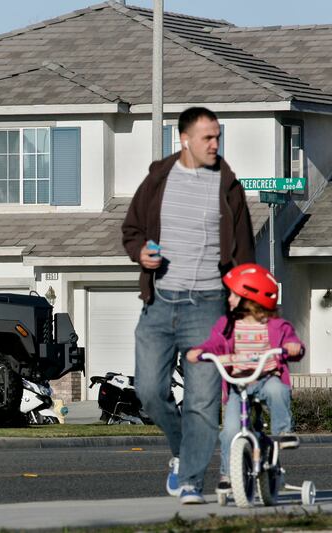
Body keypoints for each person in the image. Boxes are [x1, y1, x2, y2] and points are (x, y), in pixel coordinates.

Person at [122, 106, 255, 505]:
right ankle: (183, 451)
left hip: (208, 305)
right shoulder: (158, 180)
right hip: (160, 302)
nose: (215, 144)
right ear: (184, 140)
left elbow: (244, 249)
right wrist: (140, 253)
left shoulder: (228, 186)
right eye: (207, 137)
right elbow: (132, 230)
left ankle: (192, 480)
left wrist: (242, 293)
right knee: (148, 390)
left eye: (217, 137)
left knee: (202, 401)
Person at [185, 263, 304, 492]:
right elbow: (215, 343)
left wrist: (293, 347)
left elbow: (292, 342)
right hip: (238, 386)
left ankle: (284, 432)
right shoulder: (227, 325)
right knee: (230, 430)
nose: (228, 299)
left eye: (233, 294)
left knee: (277, 390)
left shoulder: (277, 326)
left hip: (266, 378)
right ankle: (228, 474)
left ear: (250, 298)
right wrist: (201, 351)